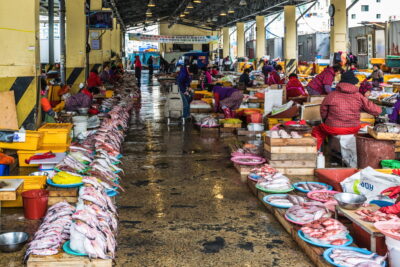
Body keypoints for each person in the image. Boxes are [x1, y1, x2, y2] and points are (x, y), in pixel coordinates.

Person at [311, 71, 382, 150]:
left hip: (333, 128)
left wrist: (326, 120)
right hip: (353, 128)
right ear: (353, 84)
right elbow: (377, 111)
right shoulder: (359, 96)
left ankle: (314, 152)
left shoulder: (332, 95)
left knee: (317, 130)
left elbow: (323, 111)